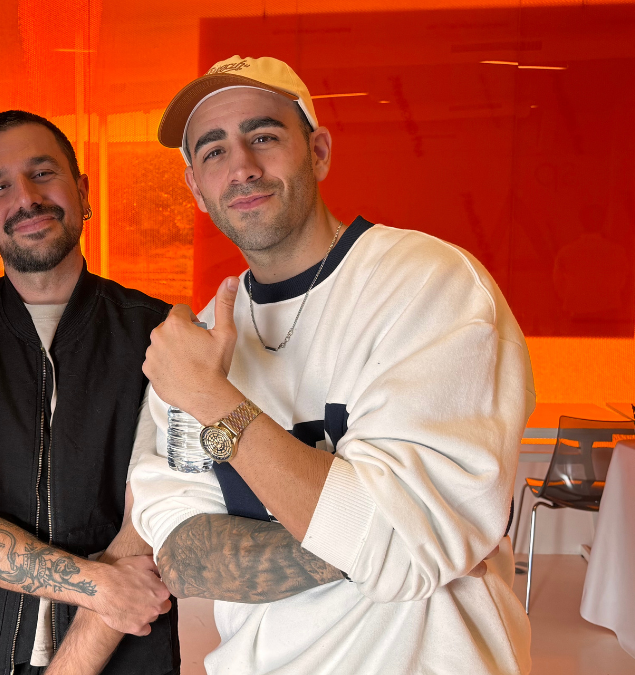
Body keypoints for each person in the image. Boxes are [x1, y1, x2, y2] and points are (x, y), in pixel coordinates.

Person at [131, 55, 535, 675]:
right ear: (197, 189)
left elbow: (402, 548)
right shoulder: (197, 341)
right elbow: (182, 559)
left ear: (317, 152)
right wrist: (381, 537)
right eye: (213, 151)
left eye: (264, 136)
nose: (241, 166)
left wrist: (213, 401)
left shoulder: (429, 287)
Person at [0, 110, 178, 675]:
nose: (25, 198)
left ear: (83, 191)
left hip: (124, 651)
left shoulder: (161, 333)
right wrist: (99, 585)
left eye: (42, 173)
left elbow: (149, 522)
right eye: (0, 186)